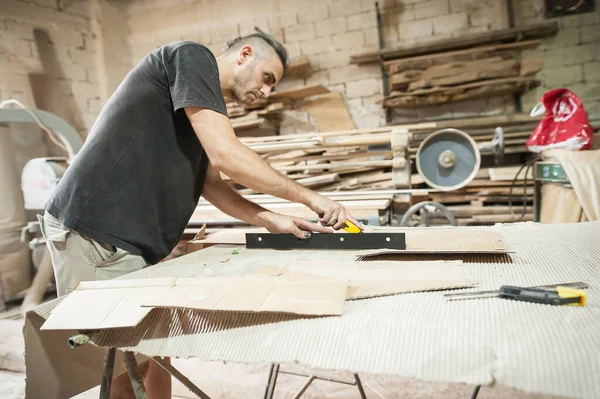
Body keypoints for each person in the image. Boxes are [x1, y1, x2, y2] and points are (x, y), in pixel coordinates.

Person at [37, 32, 362, 398]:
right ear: (244, 55)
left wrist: (271, 219)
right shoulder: (190, 58)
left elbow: (214, 184)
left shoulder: (201, 106)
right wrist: (310, 198)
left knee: (158, 356)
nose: (267, 92)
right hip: (96, 233)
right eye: (267, 78)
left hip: (133, 244)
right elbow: (227, 155)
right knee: (124, 370)